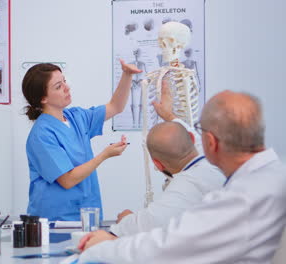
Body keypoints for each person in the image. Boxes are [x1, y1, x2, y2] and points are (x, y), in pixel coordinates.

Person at [78, 91, 286, 263]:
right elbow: (189, 142)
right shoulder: (273, 175)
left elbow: (166, 247)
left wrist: (104, 246)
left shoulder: (241, 198)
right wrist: (170, 116)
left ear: (211, 143)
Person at [22, 60, 141, 221]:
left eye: (64, 81)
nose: (66, 87)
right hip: (57, 220)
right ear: (43, 98)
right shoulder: (41, 135)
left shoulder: (77, 117)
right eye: (58, 86)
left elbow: (115, 106)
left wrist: (127, 75)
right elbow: (67, 180)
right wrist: (104, 155)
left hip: (87, 212)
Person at [110, 81, 224, 236]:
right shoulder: (216, 158)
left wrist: (126, 219)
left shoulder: (184, 188)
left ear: (157, 164)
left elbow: (145, 223)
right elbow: (190, 133)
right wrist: (168, 115)